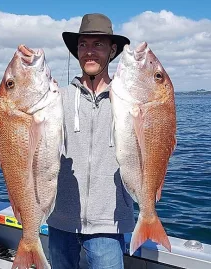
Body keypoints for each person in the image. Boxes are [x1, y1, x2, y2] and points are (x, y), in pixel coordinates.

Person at [47, 13, 135, 269]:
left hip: (110, 221)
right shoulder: (56, 98)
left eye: (98, 44)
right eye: (83, 44)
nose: (89, 51)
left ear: (113, 50)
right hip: (61, 219)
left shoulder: (129, 100)